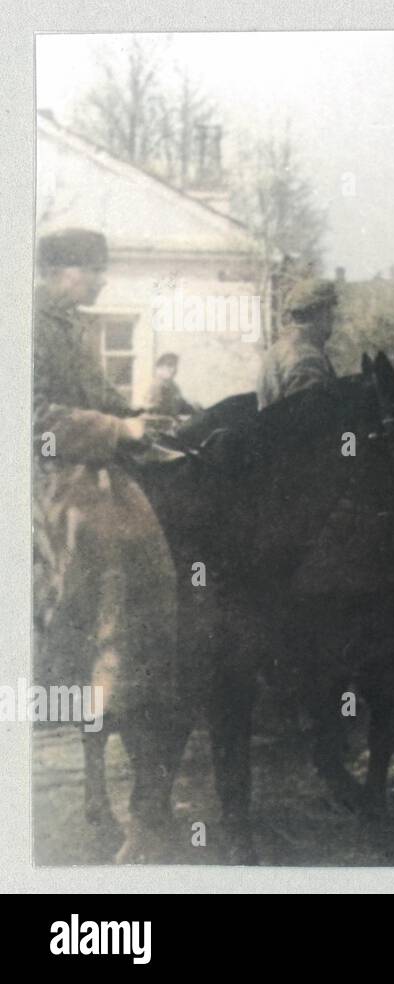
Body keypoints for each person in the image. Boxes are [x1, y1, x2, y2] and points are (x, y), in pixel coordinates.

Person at [32, 229, 178, 838]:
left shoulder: (71, 323)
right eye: (92, 271)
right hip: (46, 470)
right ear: (61, 270)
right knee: (103, 547)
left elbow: (100, 397)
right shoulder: (29, 324)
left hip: (90, 464)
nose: (100, 282)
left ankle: (137, 668)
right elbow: (34, 417)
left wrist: (141, 419)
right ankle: (74, 670)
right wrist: (118, 431)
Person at [257, 279, 339, 410]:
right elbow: (312, 420)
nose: (332, 317)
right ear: (318, 313)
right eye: (328, 309)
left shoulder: (278, 349)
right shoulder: (307, 358)